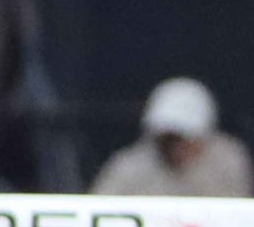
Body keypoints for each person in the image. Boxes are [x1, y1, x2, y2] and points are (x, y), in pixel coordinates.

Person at [90, 77, 253, 199]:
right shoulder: (129, 168)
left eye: (184, 138)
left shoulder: (229, 161)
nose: (176, 146)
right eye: (168, 138)